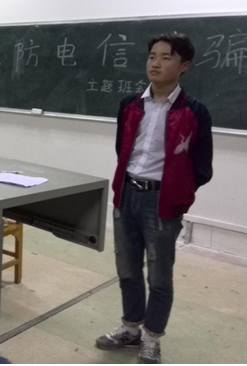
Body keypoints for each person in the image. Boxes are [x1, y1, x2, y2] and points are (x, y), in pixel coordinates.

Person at [95, 34, 213, 364]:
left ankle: (152, 337)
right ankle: (130, 329)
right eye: (151, 56)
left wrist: (177, 192)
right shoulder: (131, 104)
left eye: (165, 57)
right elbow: (122, 149)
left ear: (184, 66)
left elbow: (202, 167)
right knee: (127, 269)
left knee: (159, 276)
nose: (155, 63)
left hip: (162, 201)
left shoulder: (194, 112)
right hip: (127, 194)